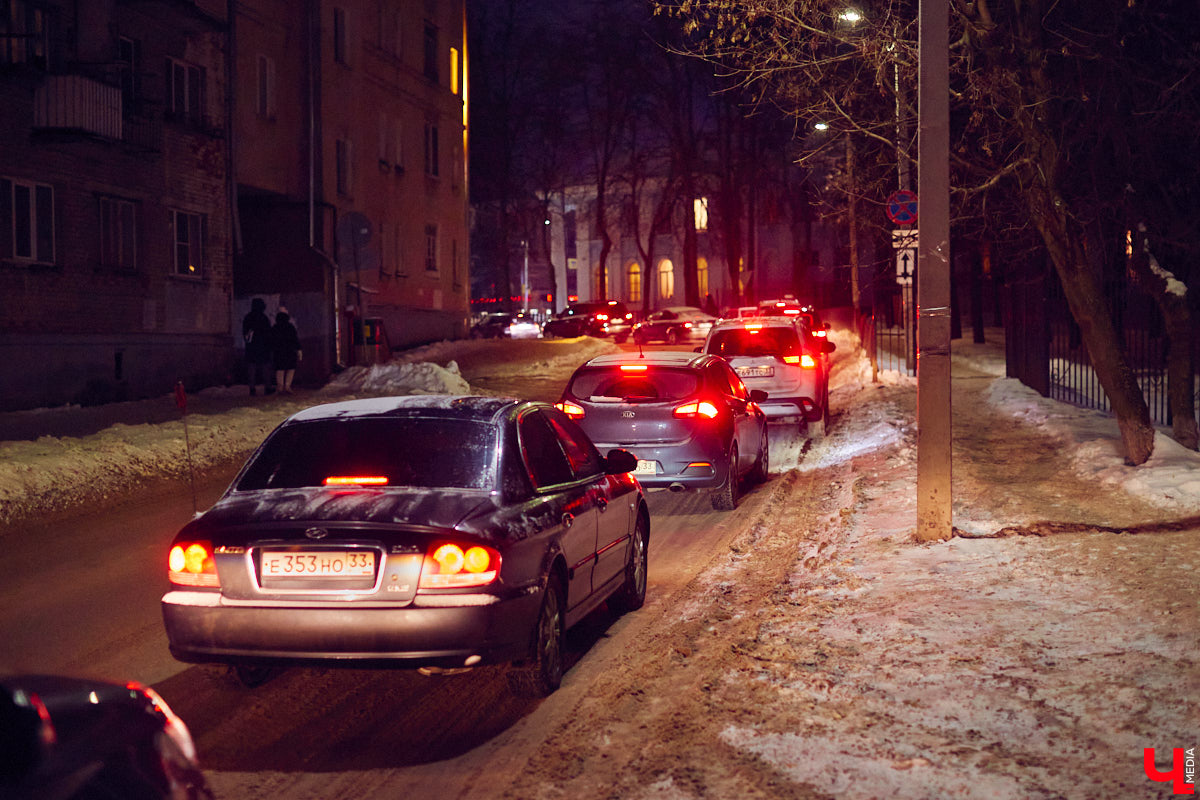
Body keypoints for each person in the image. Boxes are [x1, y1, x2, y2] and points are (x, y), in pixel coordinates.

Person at [241, 298, 272, 395]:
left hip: (251, 346)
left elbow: (245, 333)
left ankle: (252, 388)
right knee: (265, 367)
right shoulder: (264, 318)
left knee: (252, 367)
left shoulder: (248, 317)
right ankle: (267, 387)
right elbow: (268, 333)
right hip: (263, 346)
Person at [270, 310, 302, 394]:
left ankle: (280, 386)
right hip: (290, 351)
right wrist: (299, 350)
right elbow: (295, 340)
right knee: (290, 369)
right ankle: (287, 386)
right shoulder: (290, 327)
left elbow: (271, 341)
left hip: (279, 352)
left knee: (279, 369)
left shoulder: (275, 328)